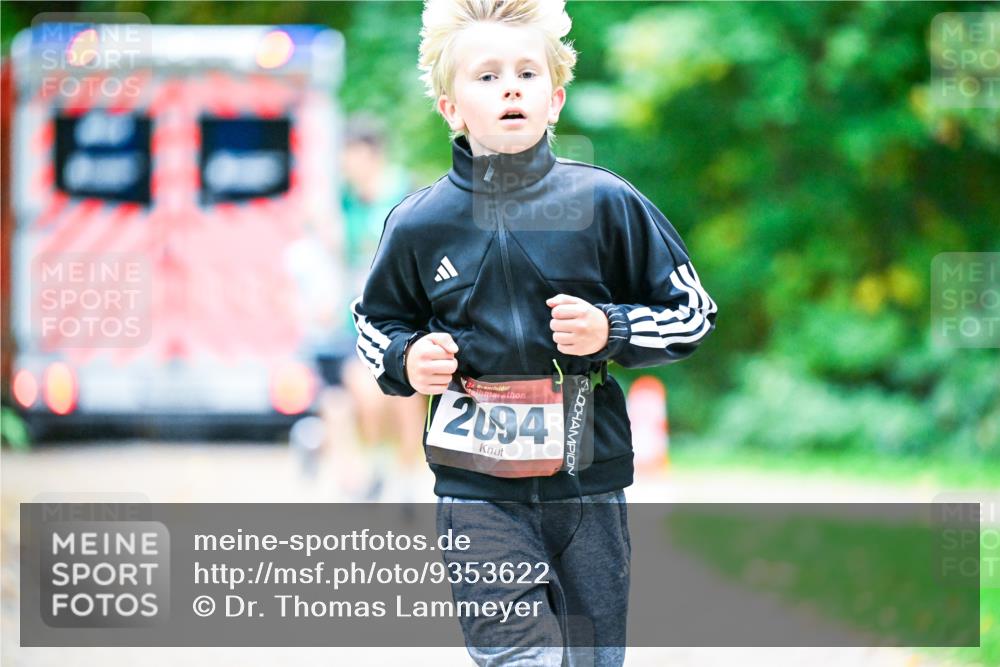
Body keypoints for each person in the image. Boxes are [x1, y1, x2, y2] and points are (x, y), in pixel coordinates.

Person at [352, 0, 718, 664]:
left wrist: (611, 327)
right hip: (476, 490)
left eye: (527, 73)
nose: (510, 88)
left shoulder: (606, 203)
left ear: (555, 99)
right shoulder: (419, 223)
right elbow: (375, 322)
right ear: (451, 109)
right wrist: (407, 358)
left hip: (587, 483)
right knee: (518, 656)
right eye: (487, 76)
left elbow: (693, 313)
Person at [319, 116, 427, 501]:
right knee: (360, 393)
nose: (346, 165)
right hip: (360, 321)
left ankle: (406, 478)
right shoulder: (346, 201)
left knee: (406, 398)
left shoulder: (405, 193)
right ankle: (374, 470)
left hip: (406, 315)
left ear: (372, 155)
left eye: (351, 155)